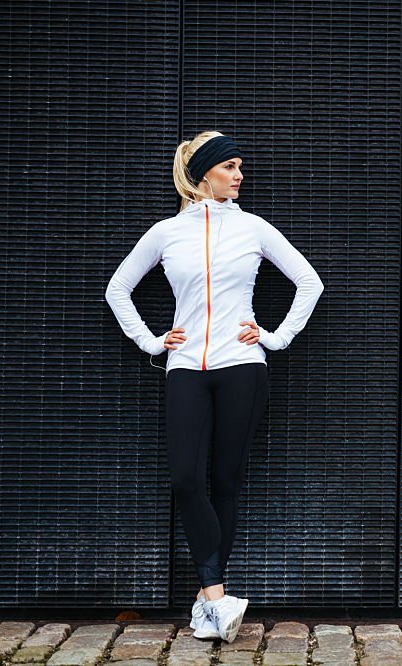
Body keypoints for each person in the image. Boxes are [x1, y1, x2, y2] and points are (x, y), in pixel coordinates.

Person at [104, 132, 324, 641]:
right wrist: (152, 342)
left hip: (242, 365)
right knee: (185, 478)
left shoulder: (253, 228)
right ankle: (217, 598)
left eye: (239, 166)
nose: (240, 175)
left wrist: (274, 336)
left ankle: (209, 605)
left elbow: (309, 282)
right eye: (230, 166)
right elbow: (117, 289)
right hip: (185, 367)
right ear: (204, 174)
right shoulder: (165, 233)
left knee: (225, 480)